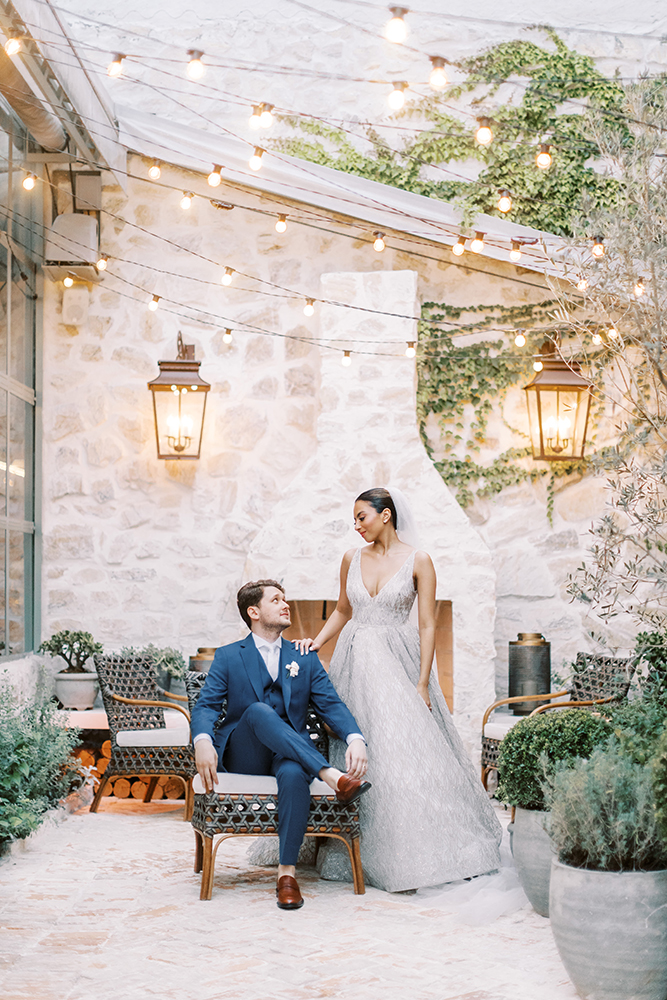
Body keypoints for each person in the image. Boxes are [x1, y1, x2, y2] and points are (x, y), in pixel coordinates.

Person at [295, 487, 502, 893]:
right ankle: (347, 846)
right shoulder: (351, 558)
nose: (356, 526)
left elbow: (427, 624)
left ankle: (416, 850)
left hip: (396, 661)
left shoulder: (419, 560)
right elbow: (342, 609)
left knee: (402, 749)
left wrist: (423, 683)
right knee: (353, 746)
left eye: (362, 517)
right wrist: (316, 643)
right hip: (354, 659)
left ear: (385, 515)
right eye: (353, 520)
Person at [191, 579, 370, 911]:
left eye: (285, 599)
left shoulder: (303, 656)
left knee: (292, 774)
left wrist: (355, 738)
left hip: (289, 755)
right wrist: (202, 741)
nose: (286, 604)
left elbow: (331, 704)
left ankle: (286, 876)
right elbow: (206, 706)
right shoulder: (229, 656)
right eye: (276, 600)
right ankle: (332, 776)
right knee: (258, 711)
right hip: (246, 753)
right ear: (254, 611)